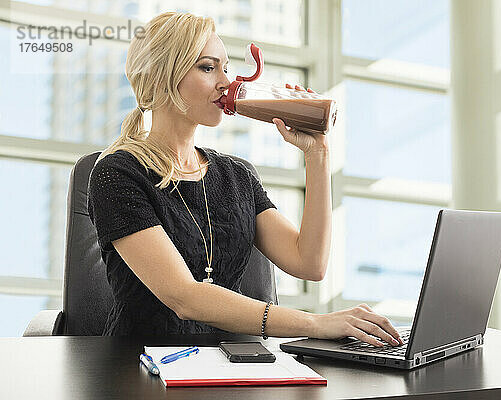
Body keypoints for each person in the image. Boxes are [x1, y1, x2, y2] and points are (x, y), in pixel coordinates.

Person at [87, 11, 402, 347]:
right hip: (142, 368)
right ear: (164, 77)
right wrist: (316, 324)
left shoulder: (235, 176)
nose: (226, 82)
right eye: (208, 68)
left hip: (232, 362)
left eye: (226, 67)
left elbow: (309, 262)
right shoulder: (117, 174)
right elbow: (185, 298)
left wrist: (317, 154)